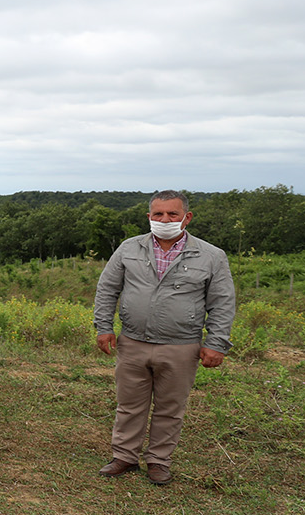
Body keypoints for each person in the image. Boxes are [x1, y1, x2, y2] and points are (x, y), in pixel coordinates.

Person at [93, 190, 235, 486]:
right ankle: (125, 456)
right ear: (149, 217)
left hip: (181, 346)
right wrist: (103, 326)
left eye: (172, 214)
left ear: (187, 217)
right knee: (129, 404)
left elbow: (222, 302)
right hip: (132, 342)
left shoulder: (211, 256)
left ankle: (158, 461)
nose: (165, 220)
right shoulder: (128, 248)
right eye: (158, 214)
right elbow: (107, 289)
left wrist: (216, 343)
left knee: (170, 408)